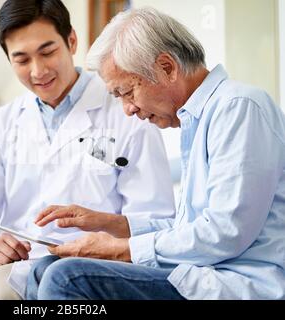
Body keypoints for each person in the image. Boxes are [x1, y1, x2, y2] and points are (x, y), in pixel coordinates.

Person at [0, 1, 175, 300]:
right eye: (22, 59)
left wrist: (104, 240)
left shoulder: (127, 110)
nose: (38, 71)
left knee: (1, 288)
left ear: (71, 41)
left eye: (47, 52)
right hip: (15, 261)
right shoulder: (3, 123)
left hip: (89, 266)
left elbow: (152, 216)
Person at [26, 7, 285, 300]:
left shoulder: (238, 107)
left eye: (127, 92)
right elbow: (190, 228)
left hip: (238, 283)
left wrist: (123, 250)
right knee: (44, 268)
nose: (128, 109)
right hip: (204, 271)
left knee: (67, 277)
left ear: (167, 67)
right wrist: (109, 224)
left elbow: (225, 232)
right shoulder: (196, 122)